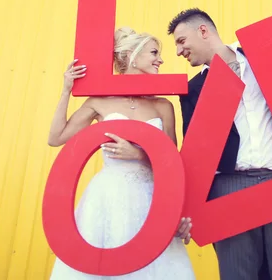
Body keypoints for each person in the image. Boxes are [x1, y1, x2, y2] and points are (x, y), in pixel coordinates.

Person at [168, 9, 272, 280]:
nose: (178, 51)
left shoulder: (265, 60)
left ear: (203, 31)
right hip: (229, 187)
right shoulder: (194, 89)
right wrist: (189, 208)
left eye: (182, 41)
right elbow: (195, 154)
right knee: (237, 275)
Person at [48, 27, 196, 279]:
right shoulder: (99, 101)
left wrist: (139, 155)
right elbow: (56, 138)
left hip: (153, 199)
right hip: (109, 197)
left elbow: (173, 163)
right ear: (131, 56)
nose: (160, 59)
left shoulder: (163, 105)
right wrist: (65, 90)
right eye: (154, 52)